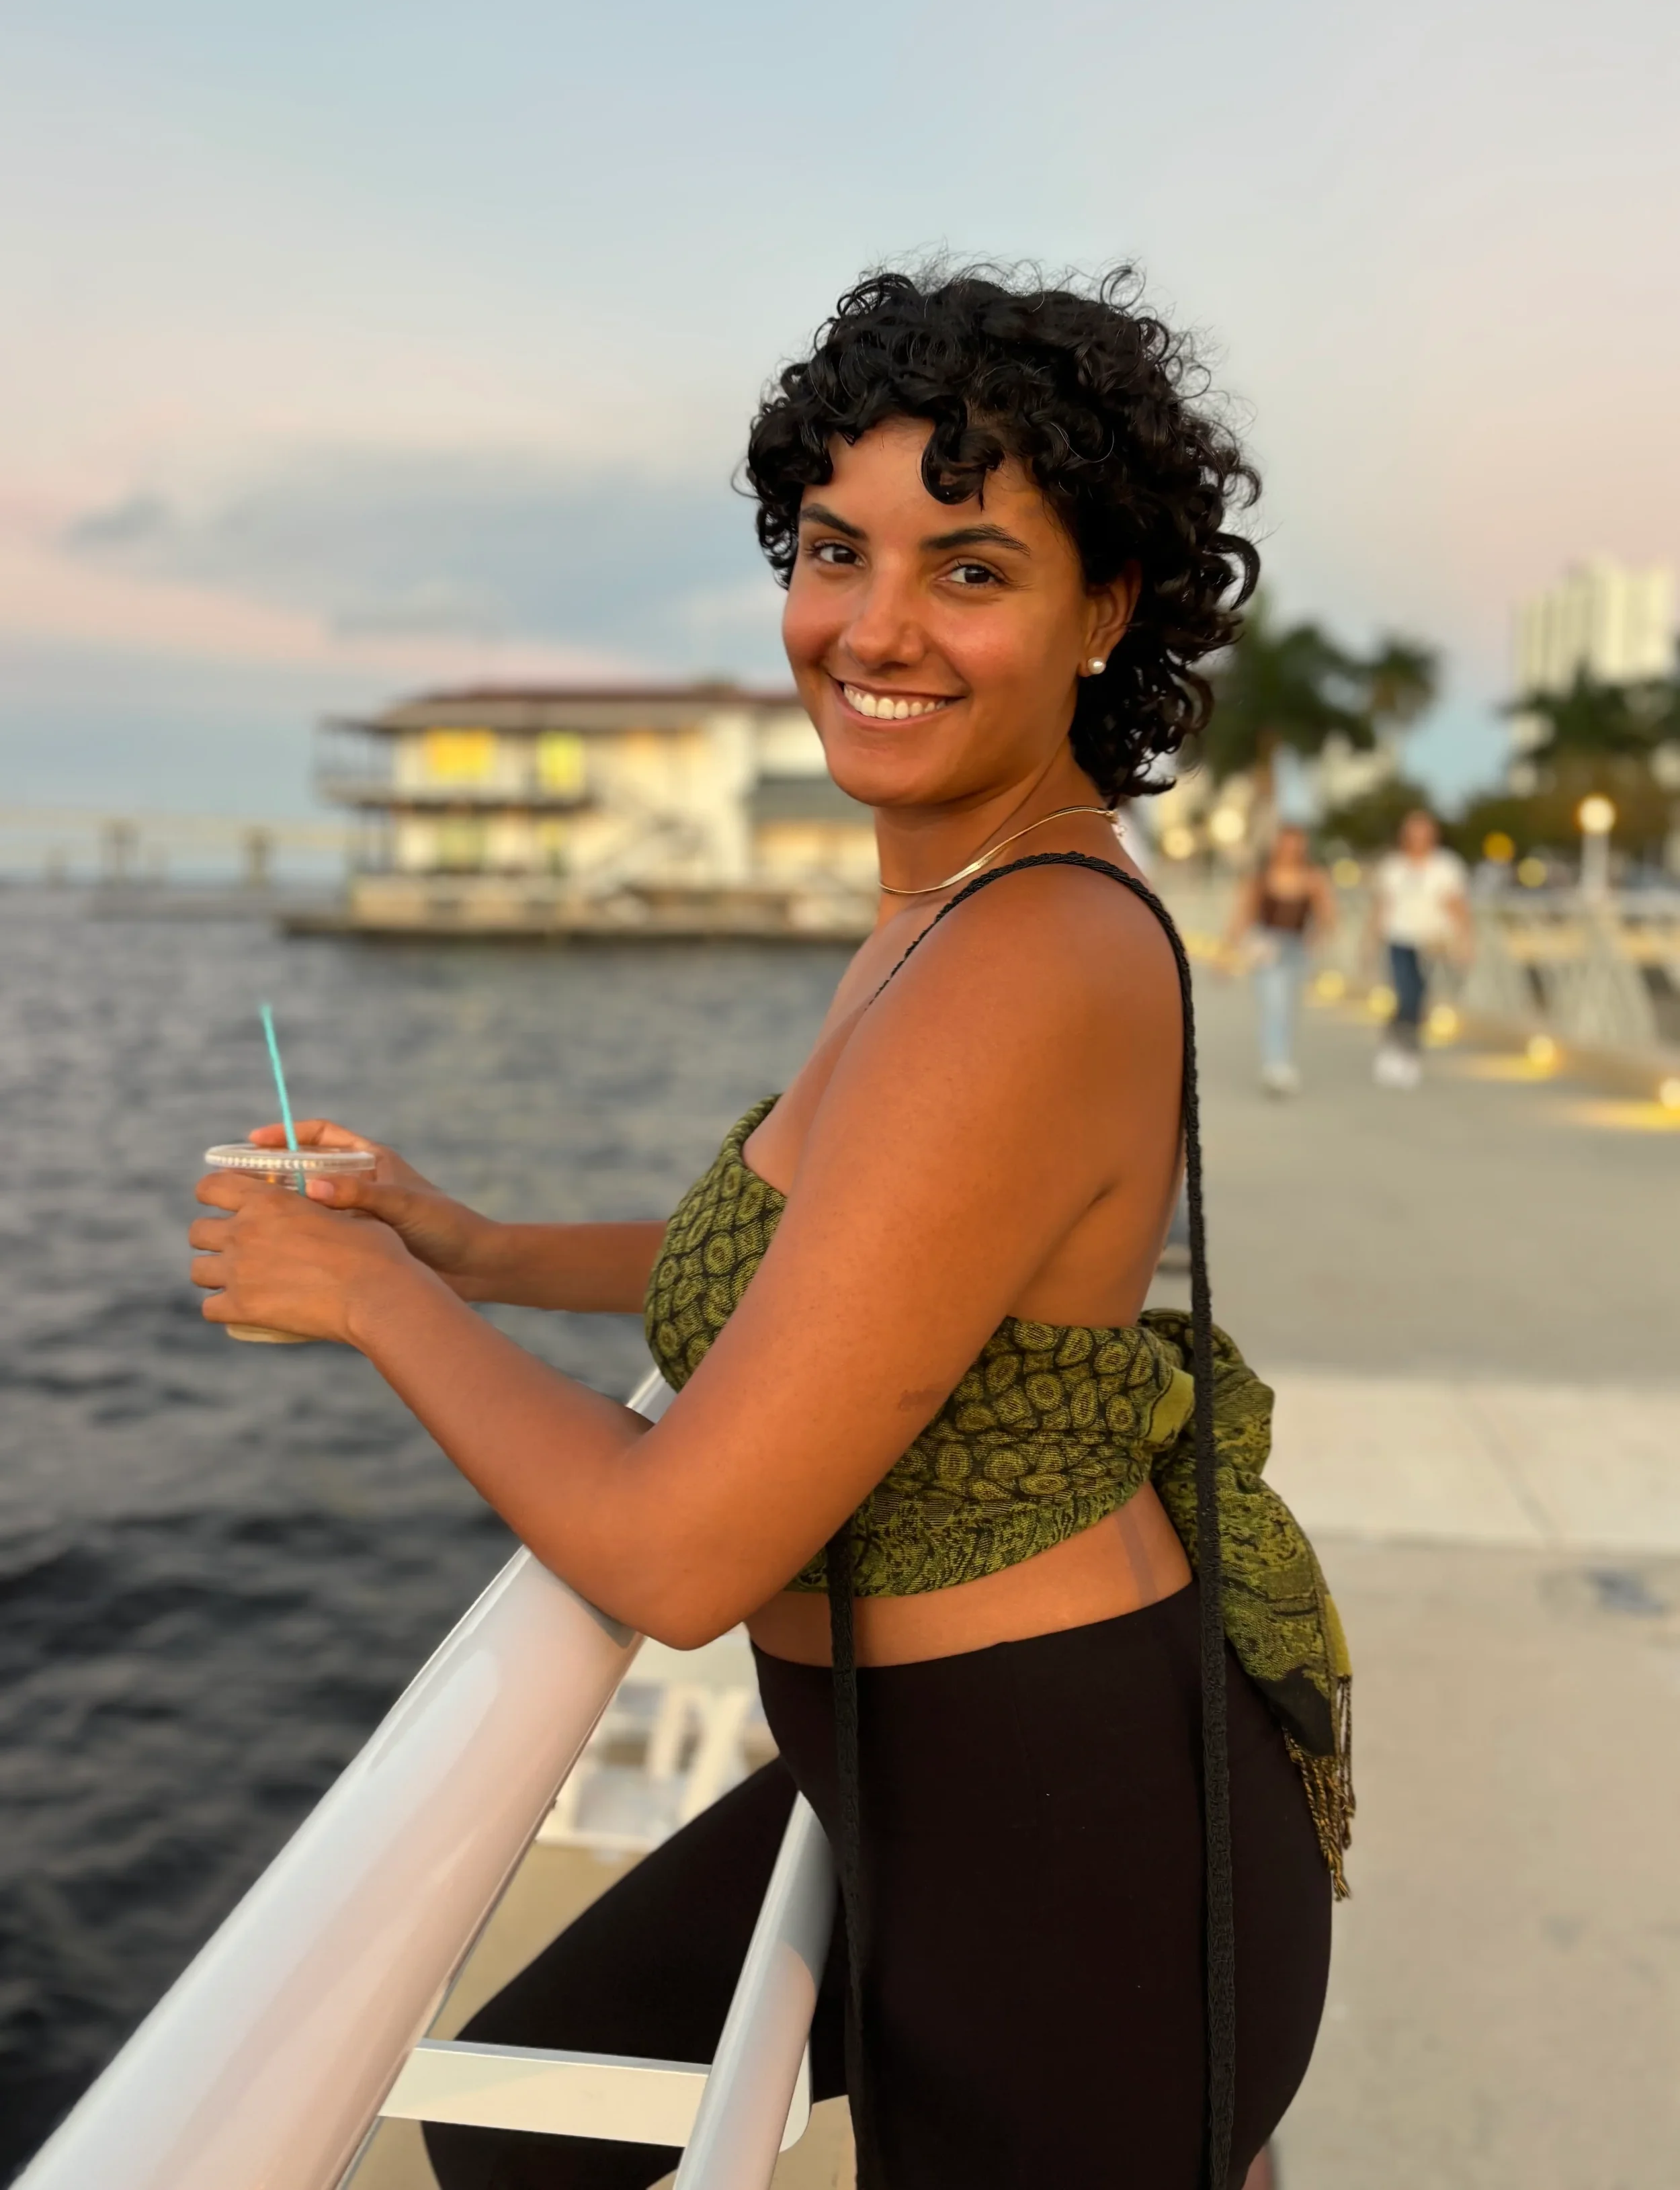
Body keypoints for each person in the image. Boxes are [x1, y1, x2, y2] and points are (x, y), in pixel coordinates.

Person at [188, 267, 1348, 2190]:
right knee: (509, 2113)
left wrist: (370, 1298)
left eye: (967, 569)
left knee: (512, 2133)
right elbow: (845, 1261)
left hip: (1072, 1861)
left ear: (1104, 609)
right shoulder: (956, 896)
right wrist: (471, 1244)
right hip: (917, 1778)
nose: (870, 628)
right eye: (832, 550)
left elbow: (681, 1546)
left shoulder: (1028, 957)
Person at [1223, 825, 1337, 1095]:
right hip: (1267, 948)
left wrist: (1318, 937)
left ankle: (1282, 1060)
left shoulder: (1313, 878)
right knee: (1273, 1006)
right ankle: (1275, 1065)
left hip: (1297, 949)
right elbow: (1243, 915)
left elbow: (1328, 915)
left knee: (1288, 1008)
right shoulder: (1261, 878)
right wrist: (1228, 953)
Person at [1367, 808, 1472, 1088]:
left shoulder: (1446, 866)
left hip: (1433, 943)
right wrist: (1369, 943)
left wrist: (1465, 941)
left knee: (1420, 1000)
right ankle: (1396, 1048)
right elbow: (1381, 907)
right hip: (1400, 939)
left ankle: (1407, 1052)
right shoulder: (1393, 867)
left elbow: (1458, 907)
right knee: (1406, 993)